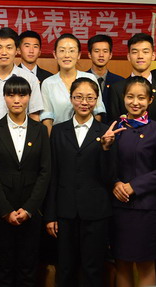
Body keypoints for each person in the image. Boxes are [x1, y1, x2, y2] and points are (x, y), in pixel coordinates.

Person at [44, 77, 115, 287]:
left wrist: (106, 149)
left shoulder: (106, 132)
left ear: (97, 100)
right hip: (65, 212)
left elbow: (110, 176)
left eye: (90, 98)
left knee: (93, 269)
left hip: (96, 212)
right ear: (71, 99)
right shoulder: (58, 131)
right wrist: (50, 215)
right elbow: (53, 175)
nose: (84, 102)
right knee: (65, 268)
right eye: (79, 97)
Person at [0, 76, 51, 287]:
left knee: (28, 268)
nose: (16, 100)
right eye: (11, 95)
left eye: (22, 95)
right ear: (4, 97)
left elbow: (45, 171)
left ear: (29, 97)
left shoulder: (40, 130)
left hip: (31, 210)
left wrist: (30, 208)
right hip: (2, 210)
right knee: (2, 268)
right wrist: (5, 210)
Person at [109, 76, 156, 287]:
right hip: (118, 207)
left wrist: (134, 186)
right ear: (123, 98)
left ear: (150, 100)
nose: (135, 102)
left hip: (145, 209)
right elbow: (106, 165)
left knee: (146, 264)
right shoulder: (115, 129)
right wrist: (115, 182)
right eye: (130, 97)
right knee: (121, 263)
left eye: (141, 98)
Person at [0, 27, 43, 135]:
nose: (4, 52)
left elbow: (34, 116)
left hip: (20, 139)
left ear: (16, 50)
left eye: (9, 47)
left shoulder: (30, 79)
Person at [40, 33, 106, 135]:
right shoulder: (48, 83)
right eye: (62, 50)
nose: (67, 55)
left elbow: (97, 112)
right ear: (55, 54)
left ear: (78, 54)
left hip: (87, 135)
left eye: (71, 51)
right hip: (60, 137)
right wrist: (51, 141)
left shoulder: (90, 78)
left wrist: (94, 136)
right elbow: (47, 118)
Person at [107, 33, 156, 127]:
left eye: (145, 52)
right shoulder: (117, 88)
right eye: (135, 52)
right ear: (129, 56)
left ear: (153, 55)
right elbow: (114, 123)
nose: (140, 56)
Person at [86, 34, 123, 123]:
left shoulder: (120, 82)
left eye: (105, 51)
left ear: (110, 55)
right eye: (97, 51)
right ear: (89, 54)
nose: (101, 55)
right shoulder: (82, 79)